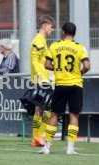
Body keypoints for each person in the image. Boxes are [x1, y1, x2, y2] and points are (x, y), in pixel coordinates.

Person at [40, 22, 90, 155]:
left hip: (60, 84)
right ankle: (70, 148)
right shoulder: (80, 48)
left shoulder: (55, 45)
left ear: (63, 32)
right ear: (74, 34)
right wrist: (80, 72)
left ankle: (47, 147)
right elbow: (87, 65)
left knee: (54, 114)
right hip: (75, 85)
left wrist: (56, 68)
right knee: (74, 115)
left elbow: (46, 64)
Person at [30, 15, 55, 147]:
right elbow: (34, 60)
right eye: (51, 27)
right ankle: (38, 137)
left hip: (42, 79)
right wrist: (39, 77)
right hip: (41, 80)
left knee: (39, 109)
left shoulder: (42, 40)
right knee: (50, 108)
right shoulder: (38, 40)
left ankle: (36, 139)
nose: (52, 29)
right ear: (44, 26)